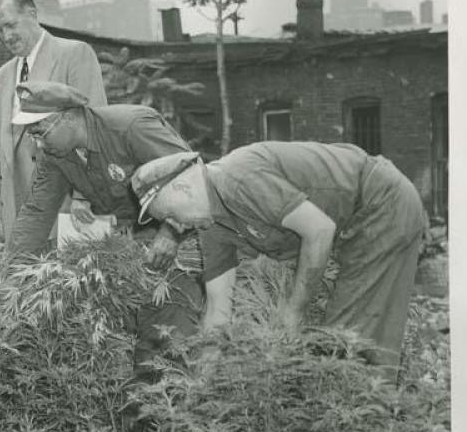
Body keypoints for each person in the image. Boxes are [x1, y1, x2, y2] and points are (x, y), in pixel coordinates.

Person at [131, 142, 427, 381]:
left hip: (380, 205)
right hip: (352, 228)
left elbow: (319, 230)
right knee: (338, 348)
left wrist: (293, 311)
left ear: (182, 189)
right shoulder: (213, 226)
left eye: (169, 216)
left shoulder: (237, 179)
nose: (173, 227)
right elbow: (218, 311)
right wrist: (202, 381)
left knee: (350, 347)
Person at [9, 80, 202, 396]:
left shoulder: (132, 126)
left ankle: (179, 423)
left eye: (40, 132)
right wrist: (11, 279)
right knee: (129, 343)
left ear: (69, 116)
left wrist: (171, 232)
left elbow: (189, 175)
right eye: (32, 136)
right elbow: (35, 213)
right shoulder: (57, 153)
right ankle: (142, 425)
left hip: (180, 236)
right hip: (129, 244)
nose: (38, 144)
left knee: (169, 341)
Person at [0, 0, 108, 242]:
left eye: (10, 25)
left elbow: (96, 128)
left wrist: (85, 196)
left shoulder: (74, 54)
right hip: (16, 216)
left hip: (67, 206)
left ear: (32, 13)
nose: (6, 36)